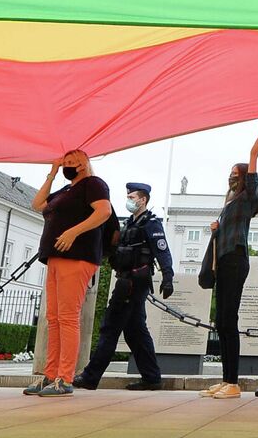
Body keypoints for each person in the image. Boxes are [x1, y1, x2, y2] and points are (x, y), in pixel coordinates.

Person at [28, 152, 116, 398]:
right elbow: (37, 204)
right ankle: (51, 374)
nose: (67, 166)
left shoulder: (93, 184)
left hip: (76, 256)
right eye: (64, 162)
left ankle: (64, 377)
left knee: (67, 317)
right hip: (56, 257)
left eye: (70, 163)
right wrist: (53, 173)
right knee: (53, 317)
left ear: (83, 164)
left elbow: (103, 212)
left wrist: (73, 232)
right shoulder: (65, 191)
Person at [202, 118, 258, 399]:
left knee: (229, 320)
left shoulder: (248, 198)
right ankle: (225, 379)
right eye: (230, 172)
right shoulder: (230, 201)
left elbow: (253, 156)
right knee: (221, 321)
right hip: (223, 262)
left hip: (235, 260)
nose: (231, 176)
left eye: (235, 173)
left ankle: (233, 382)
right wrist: (216, 230)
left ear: (244, 177)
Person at [75, 182, 173, 391]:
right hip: (126, 280)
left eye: (133, 196)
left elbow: (162, 250)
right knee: (135, 332)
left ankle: (91, 377)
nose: (129, 199)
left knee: (110, 328)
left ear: (143, 199)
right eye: (128, 196)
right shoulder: (129, 223)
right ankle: (152, 378)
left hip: (134, 282)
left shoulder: (151, 223)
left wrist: (168, 276)